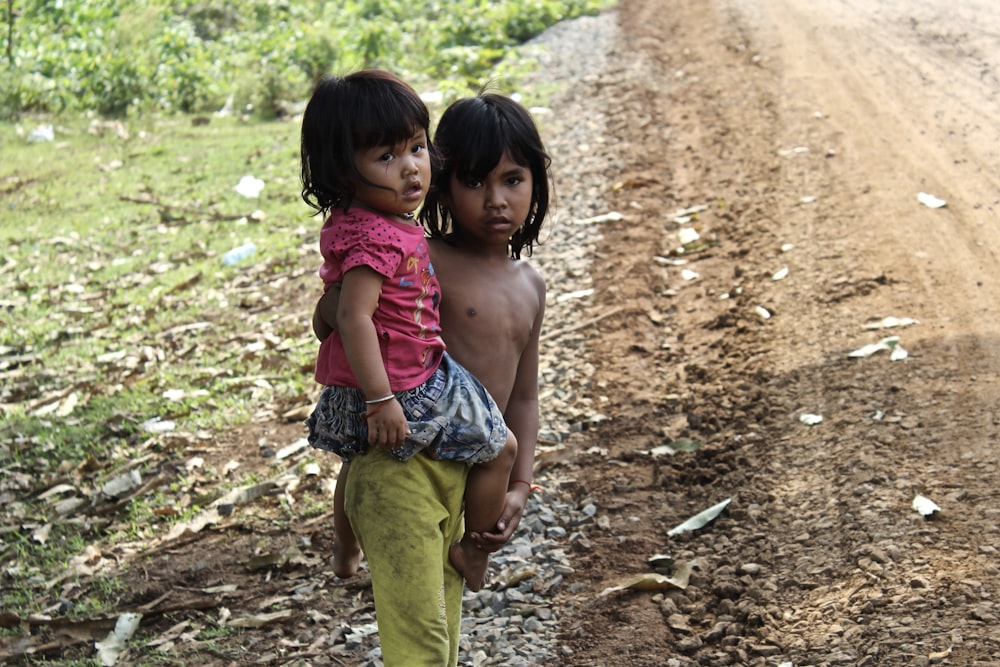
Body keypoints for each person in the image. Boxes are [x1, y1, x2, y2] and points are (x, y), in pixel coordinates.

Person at [313, 89, 551, 666]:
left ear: (535, 184)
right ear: (443, 184)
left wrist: (518, 485)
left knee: (439, 628)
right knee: (418, 635)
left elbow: (523, 395)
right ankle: (344, 544)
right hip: (404, 465)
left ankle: (473, 550)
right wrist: (336, 303)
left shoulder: (531, 284)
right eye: (473, 182)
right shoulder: (421, 257)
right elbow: (340, 322)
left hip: (467, 470)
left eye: (513, 181)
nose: (495, 200)